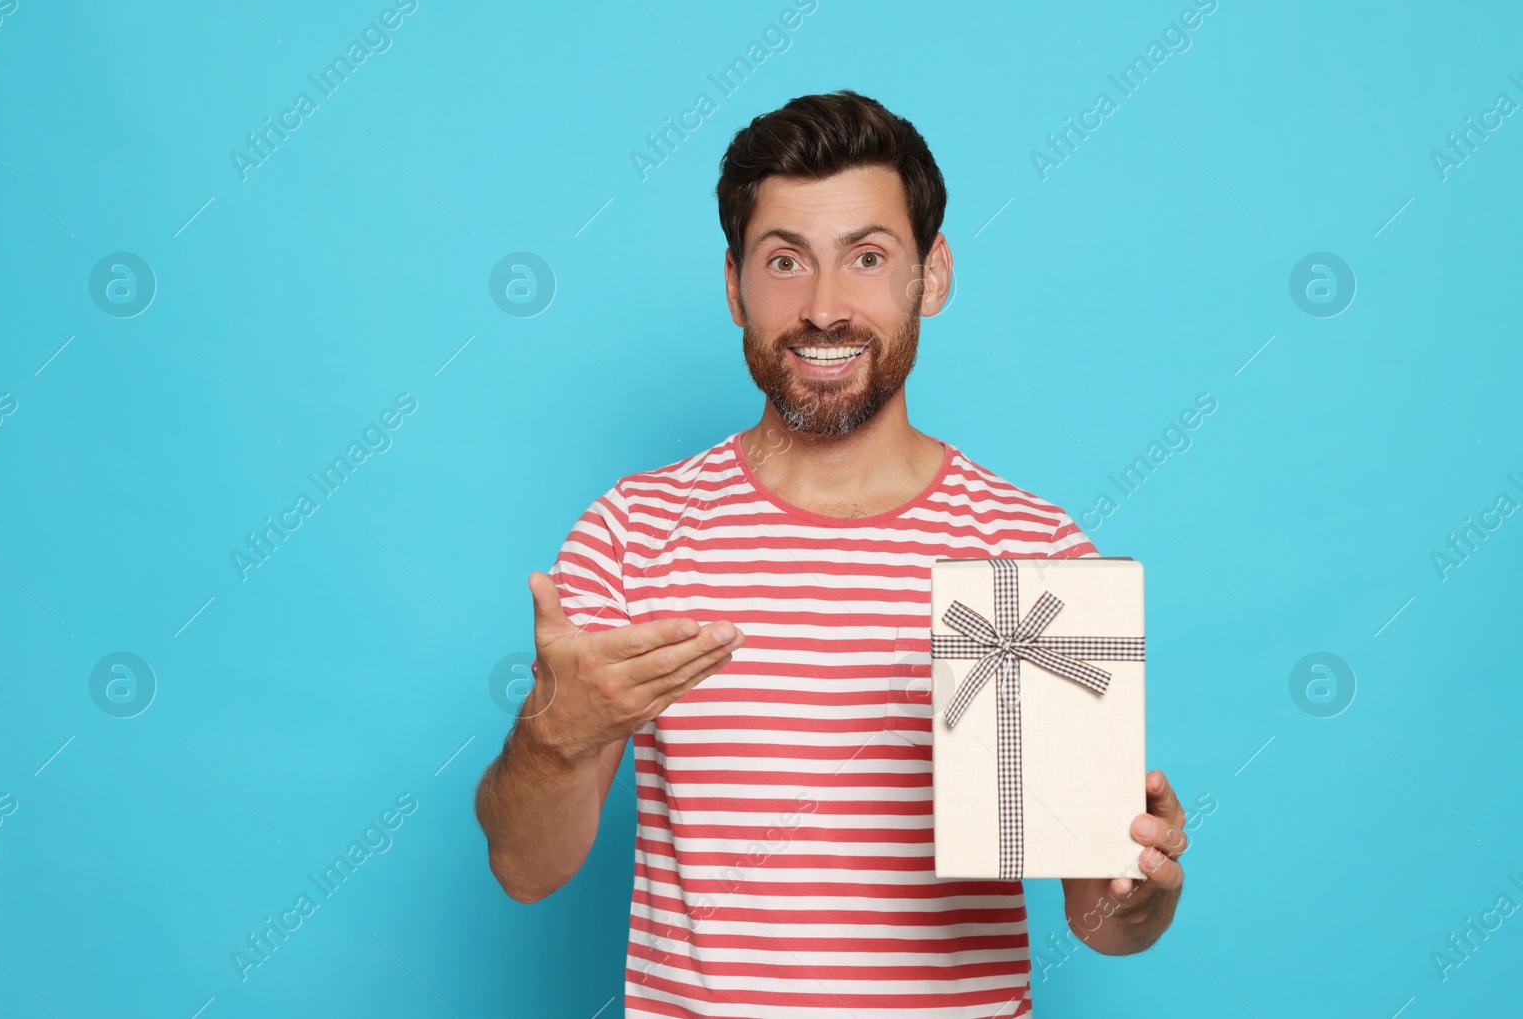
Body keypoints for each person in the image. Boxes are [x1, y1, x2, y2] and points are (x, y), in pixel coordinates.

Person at [474, 89, 1186, 1017]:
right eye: (784, 261)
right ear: (733, 284)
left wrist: (1140, 890)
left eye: (868, 257)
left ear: (931, 277)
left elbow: (1099, 918)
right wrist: (553, 736)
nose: (823, 308)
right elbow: (526, 868)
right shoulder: (632, 533)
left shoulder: (1032, 556)